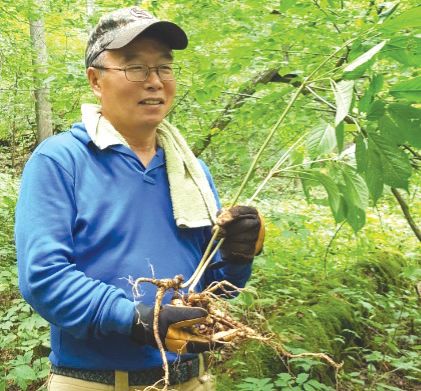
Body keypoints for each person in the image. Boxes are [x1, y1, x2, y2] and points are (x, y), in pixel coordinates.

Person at [15, 7, 264, 391]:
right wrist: (134, 318)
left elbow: (218, 290)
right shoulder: (62, 161)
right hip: (95, 381)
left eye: (164, 68)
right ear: (96, 80)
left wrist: (237, 257)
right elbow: (44, 279)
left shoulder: (190, 171)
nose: (154, 81)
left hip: (190, 379)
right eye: (135, 68)